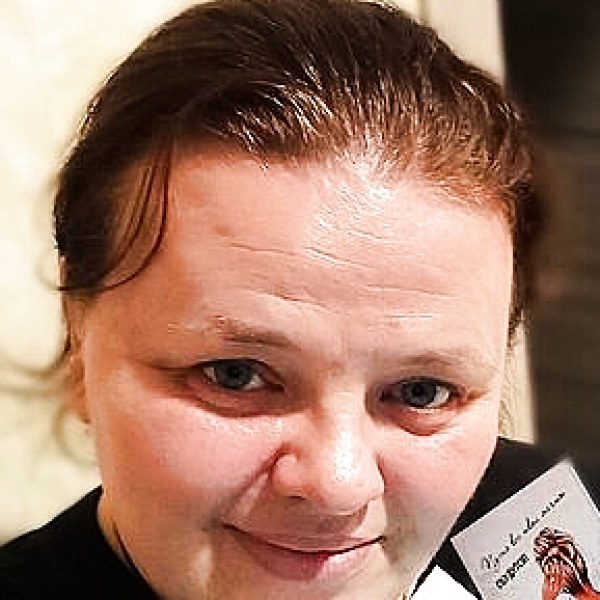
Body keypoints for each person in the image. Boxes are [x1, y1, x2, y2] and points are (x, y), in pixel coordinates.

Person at [0, 0, 589, 598]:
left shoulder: (541, 513)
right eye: (233, 375)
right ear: (78, 342)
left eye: (422, 392)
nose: (338, 486)